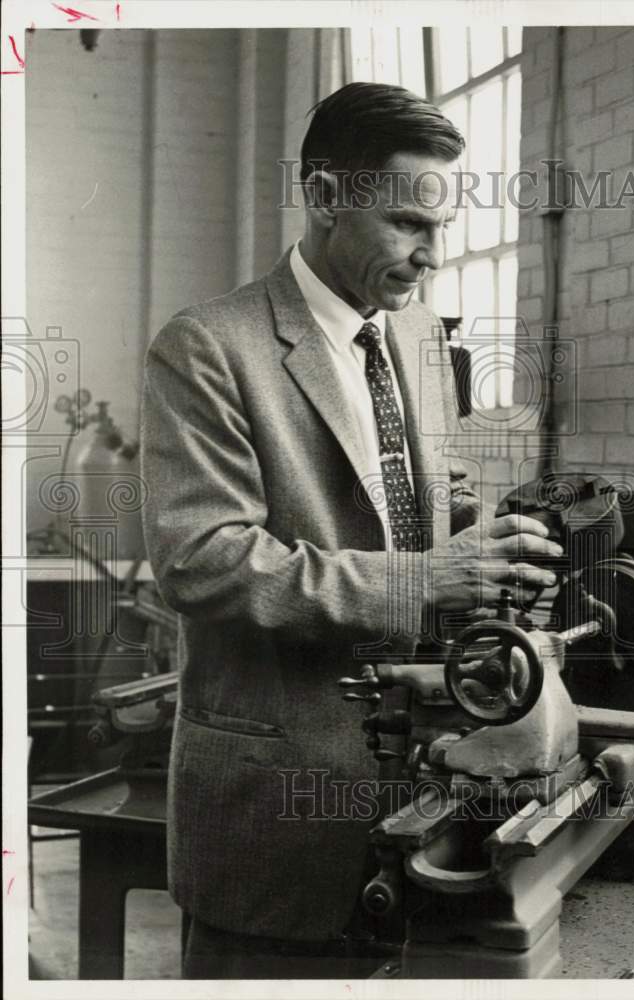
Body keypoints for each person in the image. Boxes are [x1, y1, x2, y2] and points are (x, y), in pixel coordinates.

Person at [140, 81, 562, 979]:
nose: (430, 257)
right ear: (327, 198)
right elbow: (202, 560)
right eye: (410, 223)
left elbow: (421, 495)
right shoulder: (208, 346)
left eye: (441, 230)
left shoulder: (410, 338)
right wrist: (425, 580)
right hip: (274, 821)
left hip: (422, 788)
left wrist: (493, 548)